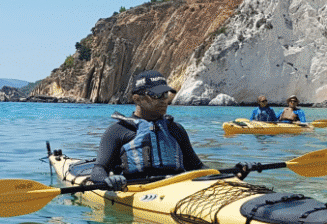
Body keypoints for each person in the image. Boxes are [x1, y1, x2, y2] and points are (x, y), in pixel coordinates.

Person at [90, 70, 247, 190]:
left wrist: (232, 175)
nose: (164, 100)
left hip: (176, 189)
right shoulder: (118, 131)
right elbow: (99, 169)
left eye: (165, 94)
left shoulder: (175, 129)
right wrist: (107, 181)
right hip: (138, 190)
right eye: (156, 95)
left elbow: (197, 167)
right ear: (137, 99)